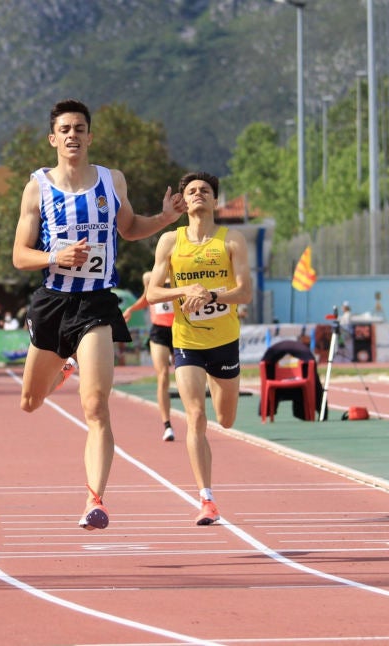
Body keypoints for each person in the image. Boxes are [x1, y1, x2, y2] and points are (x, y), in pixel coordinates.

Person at [12, 98, 184, 531]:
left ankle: (95, 499)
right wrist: (57, 256)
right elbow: (19, 255)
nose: (73, 135)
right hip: (53, 301)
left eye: (80, 128)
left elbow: (129, 229)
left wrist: (163, 218)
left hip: (96, 303)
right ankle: (63, 366)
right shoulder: (38, 187)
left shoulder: (112, 181)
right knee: (31, 402)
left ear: (90, 136)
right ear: (53, 138)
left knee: (96, 406)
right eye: (65, 129)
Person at [146, 171, 252, 525]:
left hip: (224, 341)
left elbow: (245, 291)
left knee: (226, 418)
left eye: (205, 190)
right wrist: (184, 292)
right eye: (191, 191)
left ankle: (208, 495)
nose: (198, 194)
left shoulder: (231, 239)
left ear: (215, 200)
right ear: (184, 201)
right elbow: (152, 293)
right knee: (195, 416)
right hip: (187, 340)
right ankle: (206, 499)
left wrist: (212, 294)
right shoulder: (170, 242)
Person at [123, 271, 176, 441]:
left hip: (181, 331)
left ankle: (194, 418)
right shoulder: (149, 277)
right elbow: (147, 299)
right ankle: (167, 425)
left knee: (183, 377)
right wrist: (132, 308)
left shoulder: (180, 271)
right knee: (163, 376)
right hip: (159, 331)